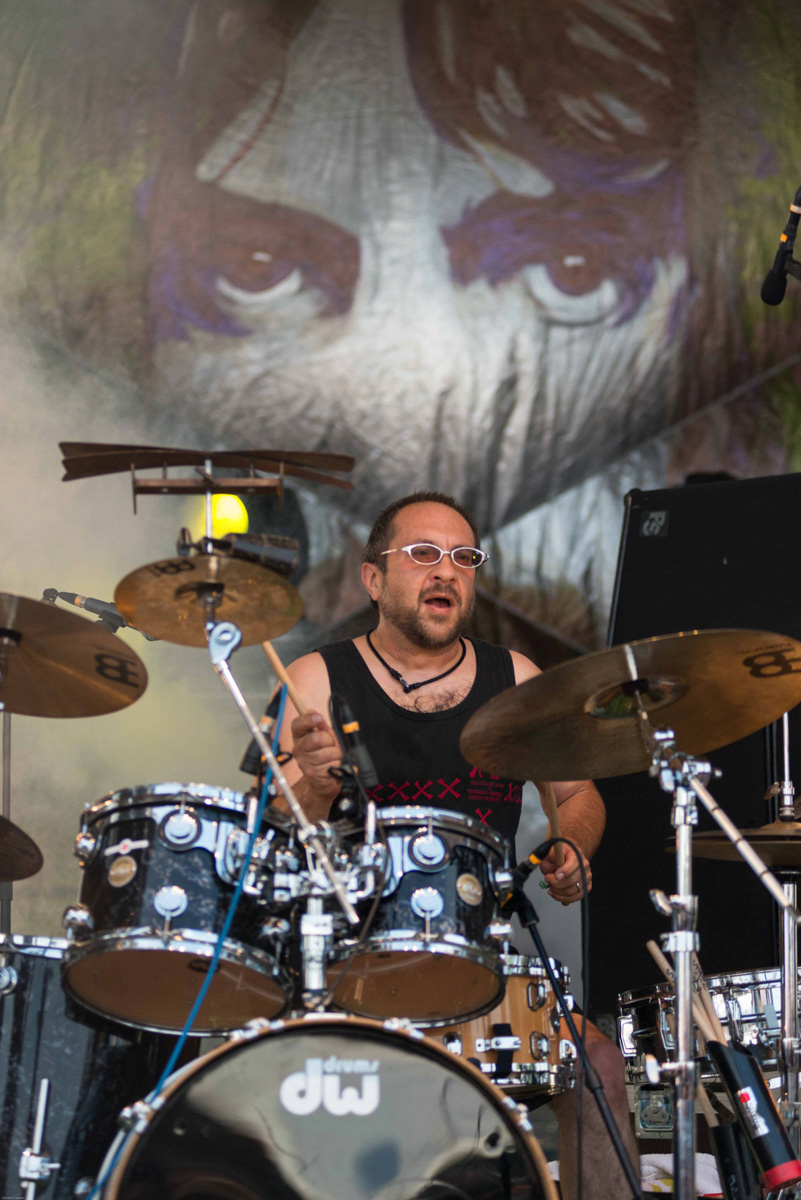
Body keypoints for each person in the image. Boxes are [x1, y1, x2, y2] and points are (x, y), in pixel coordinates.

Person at [275, 490, 638, 1200]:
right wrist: (314, 786)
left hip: (481, 964)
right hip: (350, 968)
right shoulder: (317, 677)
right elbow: (275, 829)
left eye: (463, 558)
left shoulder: (515, 680)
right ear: (373, 578)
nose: (446, 571)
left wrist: (571, 846)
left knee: (597, 1068)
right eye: (422, 554)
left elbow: (575, 796)